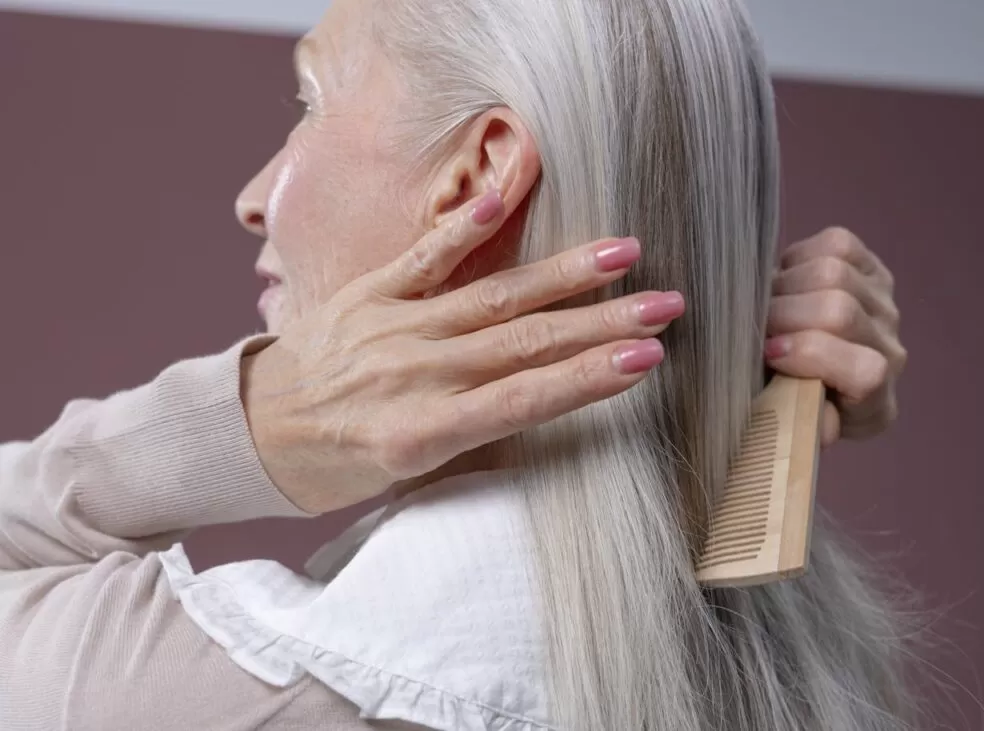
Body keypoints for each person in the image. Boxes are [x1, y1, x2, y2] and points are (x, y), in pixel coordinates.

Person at [0, 0, 910, 729]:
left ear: (478, 177)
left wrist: (250, 421)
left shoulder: (205, 690)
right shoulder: (815, 666)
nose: (252, 198)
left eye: (310, 102)